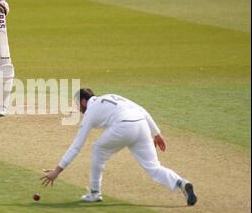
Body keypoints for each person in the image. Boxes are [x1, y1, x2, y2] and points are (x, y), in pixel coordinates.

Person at [41, 88, 197, 206]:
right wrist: (156, 133)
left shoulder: (91, 111)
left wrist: (57, 171)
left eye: (78, 105)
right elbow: (141, 109)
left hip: (124, 126)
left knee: (97, 149)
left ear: (83, 102)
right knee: (154, 168)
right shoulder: (110, 97)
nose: (78, 109)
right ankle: (181, 183)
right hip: (141, 125)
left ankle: (95, 193)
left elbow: (77, 146)